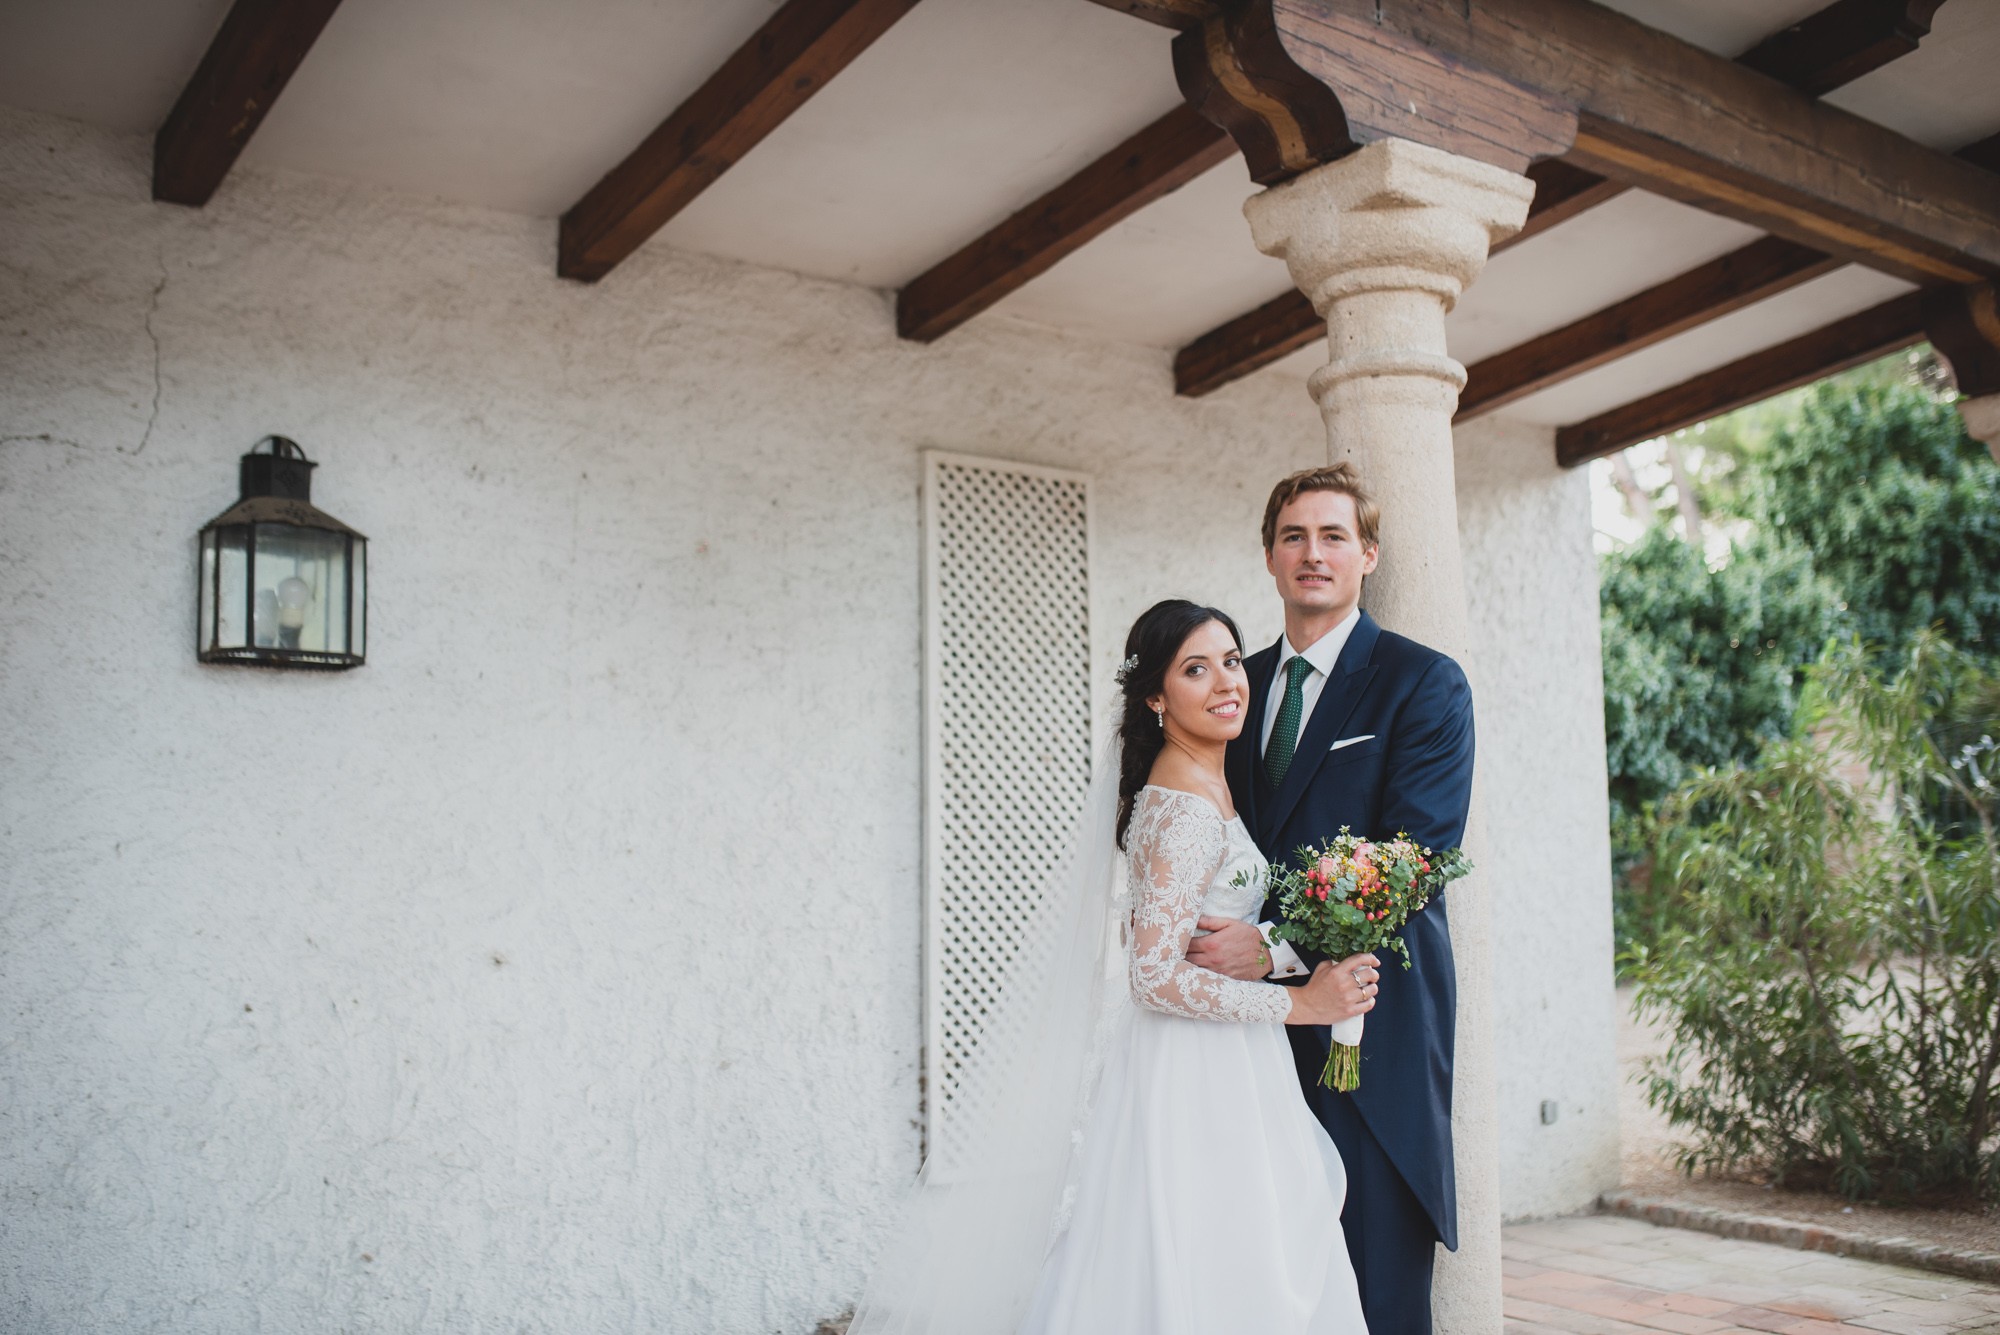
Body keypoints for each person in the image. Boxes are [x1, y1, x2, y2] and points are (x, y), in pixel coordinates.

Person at [850, 600, 1381, 1335]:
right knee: (1205, 1256)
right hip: (1195, 1072)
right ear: (1157, 697)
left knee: (1222, 1253)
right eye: (1196, 668)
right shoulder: (1187, 806)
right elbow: (1154, 976)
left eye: (1231, 659)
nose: (1227, 681)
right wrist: (1303, 1005)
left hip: (1216, 1056)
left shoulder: (1197, 780)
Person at [1187, 465, 1476, 1335]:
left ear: (1368, 555)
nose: (1312, 553)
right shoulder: (1235, 688)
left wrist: (1272, 947)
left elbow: (1415, 857)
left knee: (1377, 1283)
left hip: (1368, 1030)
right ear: (1270, 557)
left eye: (1333, 535)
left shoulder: (1423, 683)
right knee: (1266, 1281)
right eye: (1293, 536)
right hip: (1242, 1042)